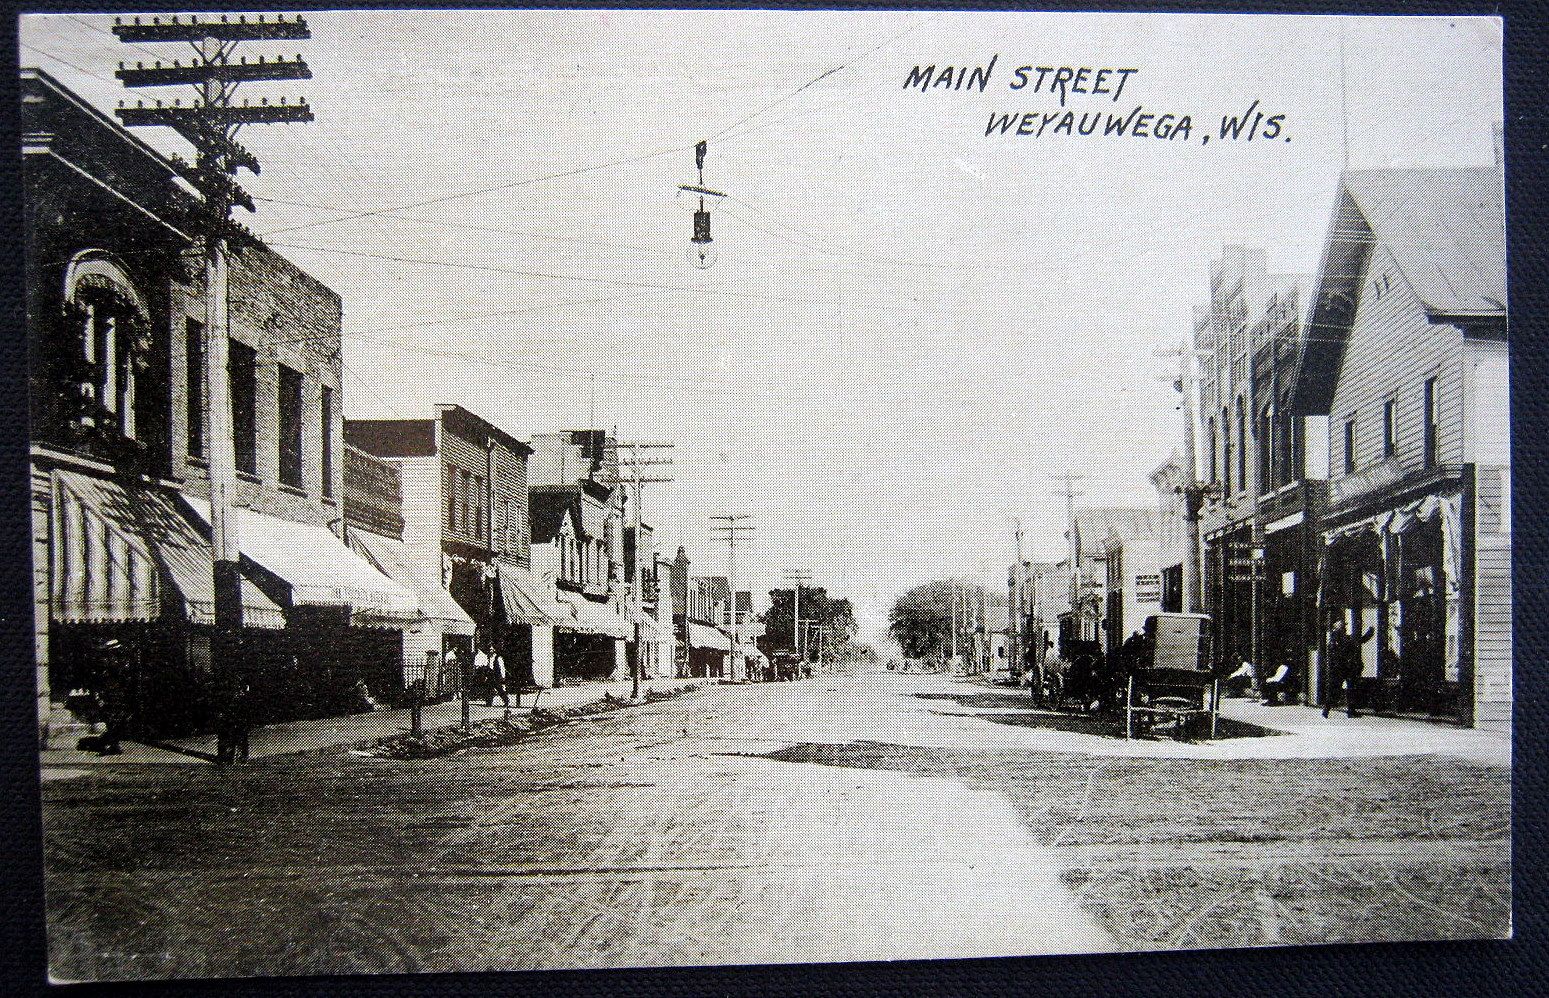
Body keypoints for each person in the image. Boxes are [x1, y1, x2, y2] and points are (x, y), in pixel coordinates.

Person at [1323, 617, 1375, 718]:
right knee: (1348, 689)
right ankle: (1348, 711)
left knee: (1338, 689)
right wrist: (1369, 634)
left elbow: (1357, 641)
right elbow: (1358, 641)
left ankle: (1328, 710)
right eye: (1343, 626)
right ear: (1338, 628)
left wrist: (1368, 634)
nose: (1345, 628)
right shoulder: (1339, 638)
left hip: (1341, 668)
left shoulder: (1336, 638)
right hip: (1344, 668)